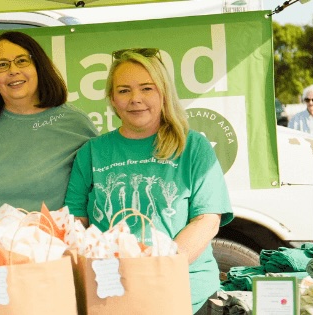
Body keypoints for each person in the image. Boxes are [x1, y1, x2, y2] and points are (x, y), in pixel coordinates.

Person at [64, 48, 234, 314]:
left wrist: (155, 272)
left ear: (163, 93)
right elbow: (75, 221)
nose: (135, 99)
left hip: (185, 293)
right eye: (123, 91)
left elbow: (207, 220)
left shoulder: (193, 146)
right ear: (111, 98)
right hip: (111, 295)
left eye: (146, 88)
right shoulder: (92, 152)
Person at [0, 31, 98, 229]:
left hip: (58, 257)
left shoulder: (75, 123)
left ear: (39, 66)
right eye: (2, 65)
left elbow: (97, 194)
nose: (13, 70)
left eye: (22, 61)